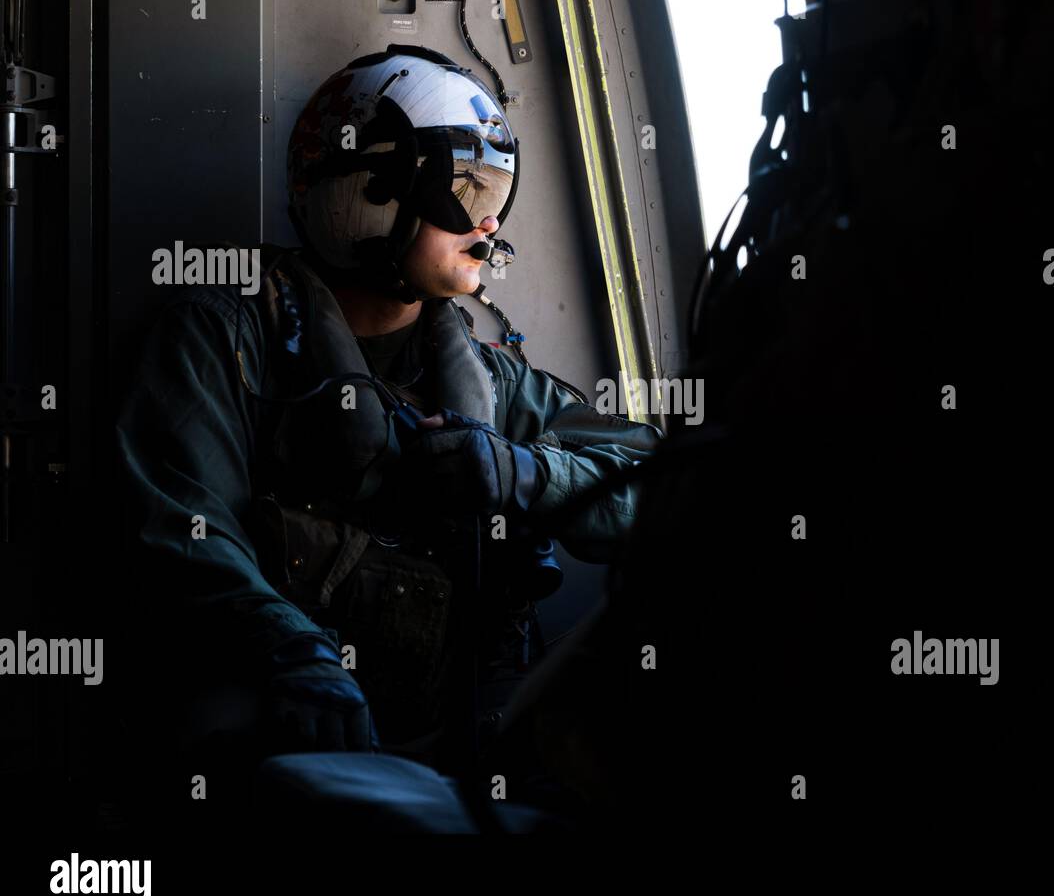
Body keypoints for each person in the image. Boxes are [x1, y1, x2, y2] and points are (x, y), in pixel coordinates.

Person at [113, 44, 663, 806]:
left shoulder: (493, 381)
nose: (491, 220)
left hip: (470, 748)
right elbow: (180, 530)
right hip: (298, 737)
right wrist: (297, 656)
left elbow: (660, 490)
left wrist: (526, 472)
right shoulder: (224, 342)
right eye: (466, 190)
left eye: (497, 189)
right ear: (364, 194)